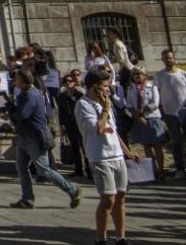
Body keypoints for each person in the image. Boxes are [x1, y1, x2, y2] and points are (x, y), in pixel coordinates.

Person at [78, 70, 138, 245]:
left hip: (117, 155)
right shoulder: (83, 105)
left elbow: (114, 131)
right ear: (94, 87)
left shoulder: (106, 102)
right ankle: (101, 238)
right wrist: (105, 109)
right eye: (105, 86)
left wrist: (127, 152)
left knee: (120, 197)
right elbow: (98, 128)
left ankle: (121, 237)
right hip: (100, 157)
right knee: (108, 199)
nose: (108, 89)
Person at [9, 70, 81, 210]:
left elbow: (22, 115)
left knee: (44, 170)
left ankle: (72, 190)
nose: (15, 81)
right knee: (22, 167)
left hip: (34, 138)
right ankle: (27, 199)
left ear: (23, 81)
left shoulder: (31, 95)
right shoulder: (26, 93)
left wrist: (11, 111)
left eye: (17, 79)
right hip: (24, 136)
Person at [125, 67, 166, 181]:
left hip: (152, 118)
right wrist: (138, 116)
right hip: (138, 120)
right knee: (146, 146)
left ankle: (161, 170)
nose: (137, 76)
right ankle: (152, 170)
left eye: (140, 73)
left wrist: (142, 111)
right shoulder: (131, 88)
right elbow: (129, 104)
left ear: (145, 75)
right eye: (135, 74)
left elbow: (155, 103)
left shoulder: (152, 87)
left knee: (157, 145)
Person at [153, 50, 186, 178]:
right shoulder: (159, 76)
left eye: (169, 58)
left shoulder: (184, 74)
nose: (168, 60)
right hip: (169, 113)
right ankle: (180, 169)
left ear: (174, 58)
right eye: (165, 58)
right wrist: (161, 110)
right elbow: (156, 93)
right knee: (176, 141)